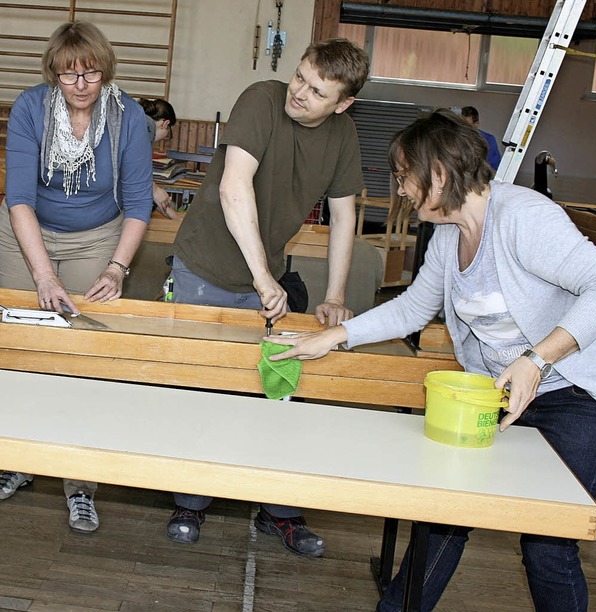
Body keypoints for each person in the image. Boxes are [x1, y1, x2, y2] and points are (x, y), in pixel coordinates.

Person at [264, 109, 596, 610]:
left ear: (438, 175)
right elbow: (414, 308)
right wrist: (334, 338)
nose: (399, 190)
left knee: (546, 539)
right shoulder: (447, 237)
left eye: (404, 176)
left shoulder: (523, 216)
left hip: (583, 391)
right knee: (444, 511)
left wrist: (537, 359)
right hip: (507, 390)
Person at [165, 38, 370, 557]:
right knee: (205, 390)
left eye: (316, 90)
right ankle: (190, 501)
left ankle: (279, 511)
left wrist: (337, 293)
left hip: (267, 276)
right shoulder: (262, 98)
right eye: (299, 76)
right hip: (207, 268)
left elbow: (345, 215)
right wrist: (263, 279)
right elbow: (236, 189)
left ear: (342, 104)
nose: (298, 92)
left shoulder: (344, 134)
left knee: (277, 393)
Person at [0, 21, 153, 533]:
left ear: (105, 72)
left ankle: (79, 483)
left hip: (97, 237)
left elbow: (137, 204)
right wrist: (43, 277)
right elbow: (18, 197)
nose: (82, 85)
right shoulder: (29, 109)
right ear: (53, 77)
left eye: (91, 73)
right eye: (69, 77)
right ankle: (15, 459)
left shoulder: (129, 117)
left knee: (82, 356)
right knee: (20, 348)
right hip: (25, 234)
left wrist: (117, 266)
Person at [139, 97, 178, 219]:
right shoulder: (142, 132)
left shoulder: (139, 126)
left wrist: (175, 217)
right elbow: (129, 172)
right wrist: (155, 190)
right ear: (165, 124)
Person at [461, 105, 502, 171]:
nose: (463, 129)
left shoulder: (488, 140)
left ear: (476, 124)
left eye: (467, 125)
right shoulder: (454, 138)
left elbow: (494, 166)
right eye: (460, 125)